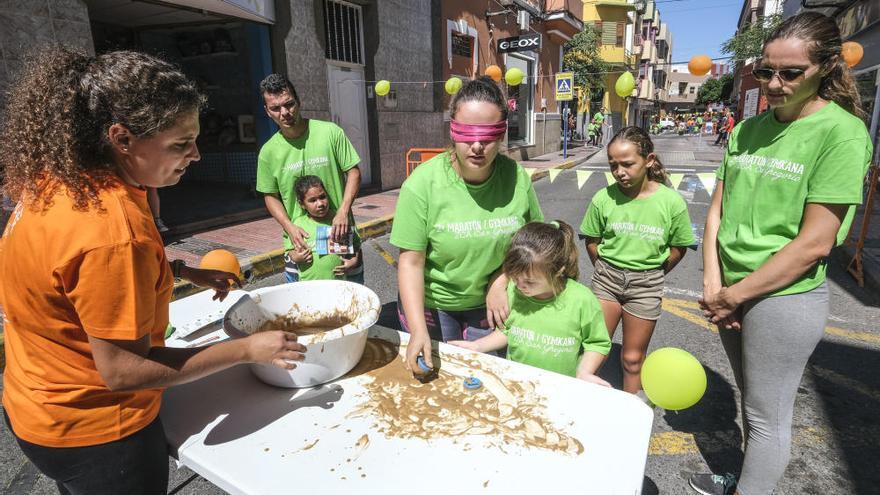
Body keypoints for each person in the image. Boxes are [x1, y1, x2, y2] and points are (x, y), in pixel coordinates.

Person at [0, 49, 306, 494]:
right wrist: (248, 349)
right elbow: (124, 370)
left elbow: (69, 280)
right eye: (180, 144)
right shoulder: (113, 230)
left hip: (32, 407)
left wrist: (181, 271)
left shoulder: (61, 182)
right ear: (122, 138)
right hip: (98, 431)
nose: (196, 155)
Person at [692, 12, 873, 495]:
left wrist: (736, 295)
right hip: (729, 289)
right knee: (753, 401)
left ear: (827, 68)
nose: (773, 83)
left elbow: (816, 242)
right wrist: (714, 283)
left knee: (767, 417)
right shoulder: (745, 130)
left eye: (790, 73)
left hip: (783, 298)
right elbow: (715, 214)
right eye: (765, 70)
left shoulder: (842, 133)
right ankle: (749, 476)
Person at [391, 76, 544, 374]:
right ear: (452, 131)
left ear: (501, 135)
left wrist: (501, 280)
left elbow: (531, 243)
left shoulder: (516, 178)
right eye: (466, 133)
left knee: (482, 377)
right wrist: (419, 330)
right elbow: (410, 263)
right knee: (432, 378)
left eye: (488, 135)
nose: (477, 146)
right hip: (433, 306)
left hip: (489, 304)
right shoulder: (421, 185)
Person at [580, 126, 695, 394]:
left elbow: (680, 245)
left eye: (628, 164)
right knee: (594, 350)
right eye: (613, 165)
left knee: (632, 360)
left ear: (649, 161)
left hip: (646, 285)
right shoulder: (603, 199)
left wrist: (653, 272)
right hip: (607, 281)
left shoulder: (671, 202)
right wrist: (605, 267)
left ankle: (630, 414)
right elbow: (592, 240)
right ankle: (584, 404)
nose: (620, 172)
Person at [449, 221, 611, 386]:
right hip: (517, 383)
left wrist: (584, 372)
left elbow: (596, 343)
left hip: (562, 386)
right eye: (514, 277)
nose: (519, 285)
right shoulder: (513, 290)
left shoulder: (582, 299)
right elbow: (507, 331)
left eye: (529, 281)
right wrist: (477, 346)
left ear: (558, 271)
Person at [255, 73, 362, 283]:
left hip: (340, 236)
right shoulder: (268, 152)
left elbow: (354, 172)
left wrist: (343, 210)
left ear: (299, 102)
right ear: (267, 112)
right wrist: (289, 226)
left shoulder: (330, 132)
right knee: (304, 312)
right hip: (300, 246)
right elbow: (270, 195)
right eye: (276, 108)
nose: (284, 112)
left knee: (351, 308)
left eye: (289, 104)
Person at [288, 175, 363, 282]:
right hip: (309, 286)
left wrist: (353, 262)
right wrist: (296, 257)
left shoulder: (340, 221)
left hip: (338, 284)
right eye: (312, 200)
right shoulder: (298, 224)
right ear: (302, 204)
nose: (320, 204)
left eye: (322, 197)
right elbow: (290, 249)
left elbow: (356, 246)